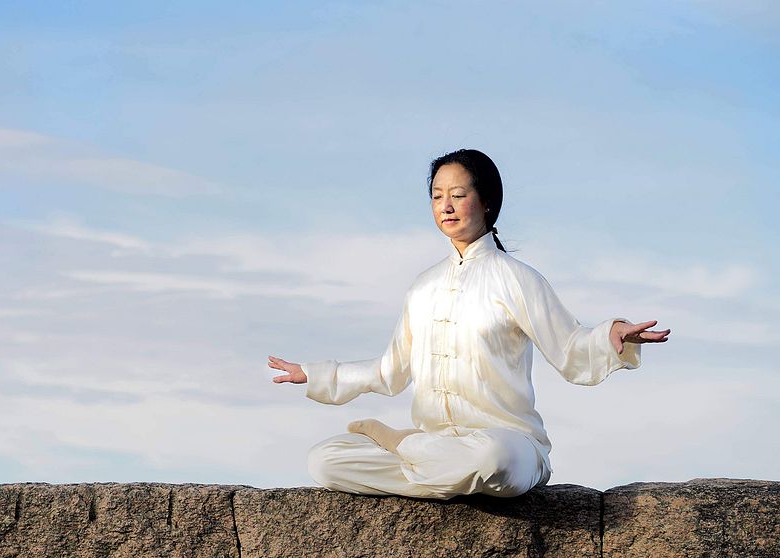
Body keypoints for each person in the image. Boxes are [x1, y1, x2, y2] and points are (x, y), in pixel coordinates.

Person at [267, 148, 670, 500]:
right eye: (437, 196)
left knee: (492, 461)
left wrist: (610, 334)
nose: (446, 206)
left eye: (458, 195)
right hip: (440, 444)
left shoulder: (517, 278)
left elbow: (569, 348)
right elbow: (389, 372)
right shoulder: (423, 287)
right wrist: (316, 374)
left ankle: (406, 449)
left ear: (487, 203)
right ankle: (428, 461)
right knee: (324, 461)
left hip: (506, 443)